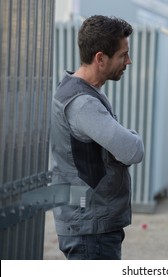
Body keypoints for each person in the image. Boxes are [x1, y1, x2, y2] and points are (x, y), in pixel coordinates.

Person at [50, 15, 144, 260]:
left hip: (90, 223)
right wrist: (131, 135)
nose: (128, 61)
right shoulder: (83, 104)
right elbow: (133, 151)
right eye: (123, 55)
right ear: (100, 58)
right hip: (90, 230)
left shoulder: (80, 92)